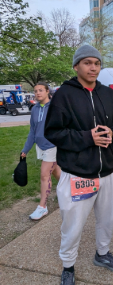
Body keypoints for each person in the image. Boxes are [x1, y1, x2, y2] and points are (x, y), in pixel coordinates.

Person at [44, 45, 113, 285]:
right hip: (78, 173)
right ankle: (68, 265)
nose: (93, 67)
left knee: (107, 219)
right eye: (87, 62)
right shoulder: (63, 95)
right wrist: (87, 137)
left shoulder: (108, 94)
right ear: (76, 66)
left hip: (109, 170)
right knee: (73, 223)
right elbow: (53, 132)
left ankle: (102, 254)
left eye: (97, 63)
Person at [21, 82, 61, 220]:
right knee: (55, 171)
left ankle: (42, 207)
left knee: (45, 175)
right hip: (41, 146)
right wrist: (26, 149)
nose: (37, 93)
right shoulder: (34, 109)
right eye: (35, 91)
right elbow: (32, 131)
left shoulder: (55, 107)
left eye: (40, 90)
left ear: (47, 91)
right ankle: (69, 192)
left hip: (52, 145)